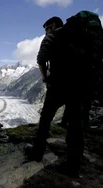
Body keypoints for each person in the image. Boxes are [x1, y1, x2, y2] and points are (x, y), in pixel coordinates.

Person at [25, 16, 85, 177]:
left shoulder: (51, 37)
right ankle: (73, 165)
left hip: (58, 86)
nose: (45, 31)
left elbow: (41, 60)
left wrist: (46, 79)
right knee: (76, 125)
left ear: (52, 25)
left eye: (46, 28)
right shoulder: (79, 37)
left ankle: (37, 153)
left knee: (45, 119)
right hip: (78, 86)